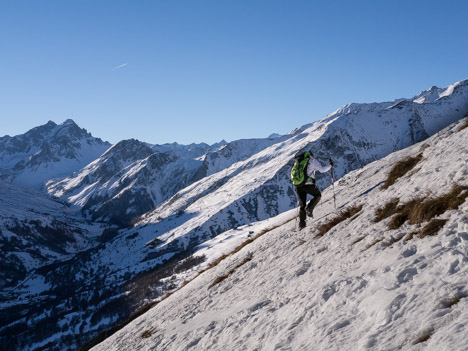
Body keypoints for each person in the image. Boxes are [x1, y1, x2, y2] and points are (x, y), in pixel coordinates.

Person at [291, 151, 333, 229]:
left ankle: (302, 224)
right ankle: (309, 208)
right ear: (311, 155)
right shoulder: (312, 160)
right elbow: (322, 170)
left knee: (302, 205)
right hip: (308, 185)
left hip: (298, 186)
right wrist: (330, 165)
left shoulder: (297, 163)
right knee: (318, 195)